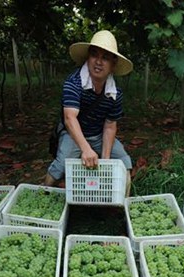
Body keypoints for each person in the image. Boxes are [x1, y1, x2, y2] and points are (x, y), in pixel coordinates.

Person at [44, 30, 133, 195]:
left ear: (113, 65)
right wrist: (85, 149)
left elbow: (110, 126)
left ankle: (121, 205)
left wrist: (105, 161)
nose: (98, 62)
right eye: (94, 55)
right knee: (61, 164)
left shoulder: (114, 93)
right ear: (88, 58)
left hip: (98, 134)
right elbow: (70, 119)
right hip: (73, 133)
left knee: (124, 163)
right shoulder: (74, 83)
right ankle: (44, 194)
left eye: (105, 57)